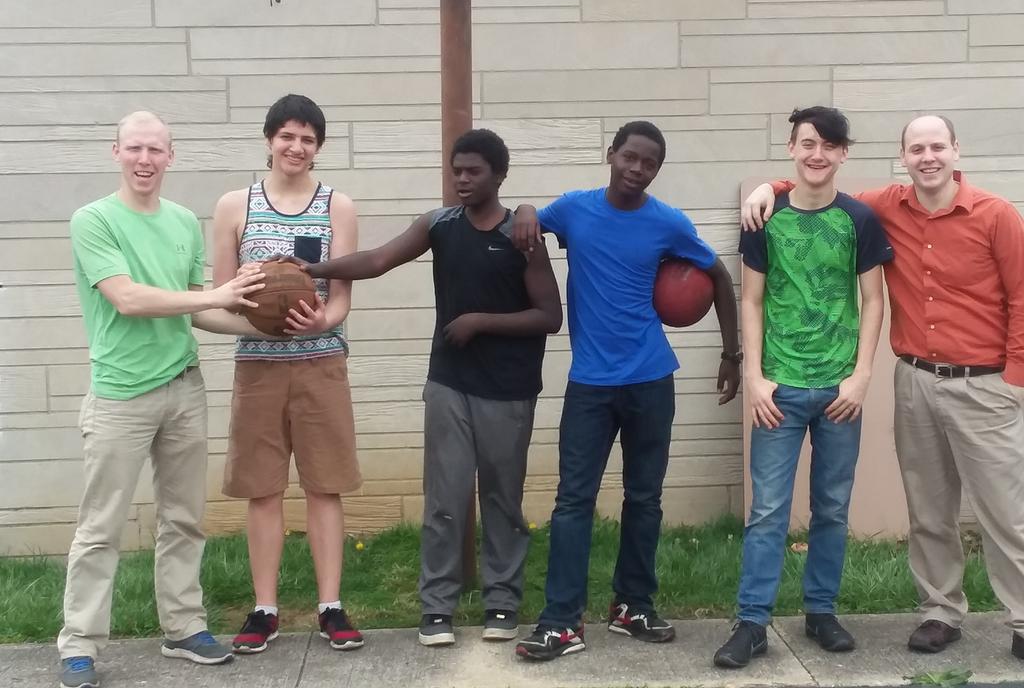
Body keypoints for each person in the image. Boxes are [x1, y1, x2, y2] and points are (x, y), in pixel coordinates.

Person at [742, 114, 1024, 661]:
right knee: (928, 507)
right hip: (915, 379)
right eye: (917, 148)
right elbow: (815, 183)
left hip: (985, 383)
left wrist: (1014, 380)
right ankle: (941, 611)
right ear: (904, 158)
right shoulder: (885, 207)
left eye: (937, 146)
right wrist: (769, 187)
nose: (928, 157)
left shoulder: (996, 215)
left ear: (956, 150)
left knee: (1005, 510)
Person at [288, 128, 562, 647]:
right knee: (445, 498)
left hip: (508, 389)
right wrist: (314, 267)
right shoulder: (439, 224)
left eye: (473, 170)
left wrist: (480, 320)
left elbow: (549, 316)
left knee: (503, 499)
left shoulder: (520, 237)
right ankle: (437, 606)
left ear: (498, 176)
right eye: (456, 169)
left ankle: (501, 601)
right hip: (449, 383)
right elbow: (376, 260)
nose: (461, 178)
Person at [510, 120, 742, 661]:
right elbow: (529, 223)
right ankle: (561, 622)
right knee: (573, 501)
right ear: (611, 154)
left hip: (651, 379)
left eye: (649, 164)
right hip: (590, 383)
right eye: (629, 158)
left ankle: (632, 606)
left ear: (656, 170)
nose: (637, 170)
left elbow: (721, 279)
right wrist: (525, 208)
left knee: (645, 498)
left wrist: (732, 355)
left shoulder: (669, 222)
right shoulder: (575, 209)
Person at [59, 111, 268, 688]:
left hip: (183, 387)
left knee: (183, 519)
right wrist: (218, 292)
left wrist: (267, 326)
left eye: (155, 149)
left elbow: (198, 309)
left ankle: (182, 628)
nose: (144, 159)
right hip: (120, 394)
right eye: (134, 148)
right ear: (116, 152)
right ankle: (79, 644)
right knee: (101, 527)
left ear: (171, 156)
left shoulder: (180, 221)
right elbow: (126, 298)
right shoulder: (93, 220)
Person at [714, 107, 892, 669]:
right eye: (808, 143)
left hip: (840, 390)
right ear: (792, 147)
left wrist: (862, 375)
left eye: (830, 145)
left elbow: (872, 299)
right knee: (767, 511)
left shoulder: (858, 219)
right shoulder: (766, 217)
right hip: (779, 391)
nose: (818, 154)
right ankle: (752, 622)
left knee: (832, 509)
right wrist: (754, 378)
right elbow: (751, 299)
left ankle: (820, 612)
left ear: (844, 154)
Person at [212, 95, 363, 655]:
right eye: (287, 136)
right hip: (258, 366)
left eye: (307, 138)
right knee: (262, 488)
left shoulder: (337, 206)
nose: (296, 147)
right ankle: (265, 608)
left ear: (318, 147)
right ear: (269, 139)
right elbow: (222, 297)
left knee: (325, 484)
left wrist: (322, 319)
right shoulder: (235, 205)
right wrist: (254, 312)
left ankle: (330, 606)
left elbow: (342, 295)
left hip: (321, 360)